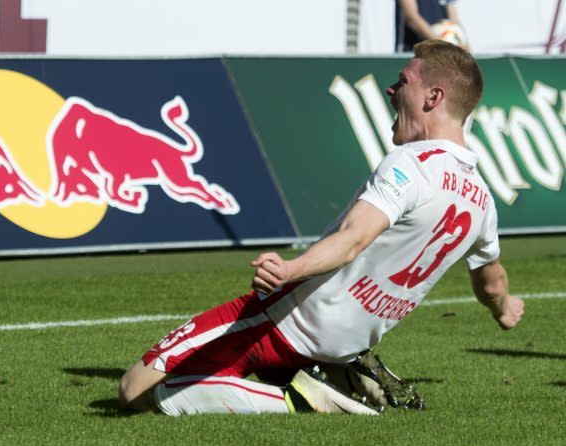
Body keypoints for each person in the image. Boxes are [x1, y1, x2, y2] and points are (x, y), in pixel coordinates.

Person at [118, 40, 524, 416]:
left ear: (433, 97)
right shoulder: (483, 201)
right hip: (345, 342)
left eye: (403, 82)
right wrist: (504, 310)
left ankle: (302, 398)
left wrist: (290, 271)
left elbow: (353, 239)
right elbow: (492, 284)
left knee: (135, 390)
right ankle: (339, 373)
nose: (391, 90)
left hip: (286, 319)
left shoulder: (412, 164)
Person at [396, 0, 467, 52]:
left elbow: (453, 21)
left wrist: (463, 44)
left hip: (442, 54)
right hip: (415, 52)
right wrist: (443, 45)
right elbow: (412, 18)